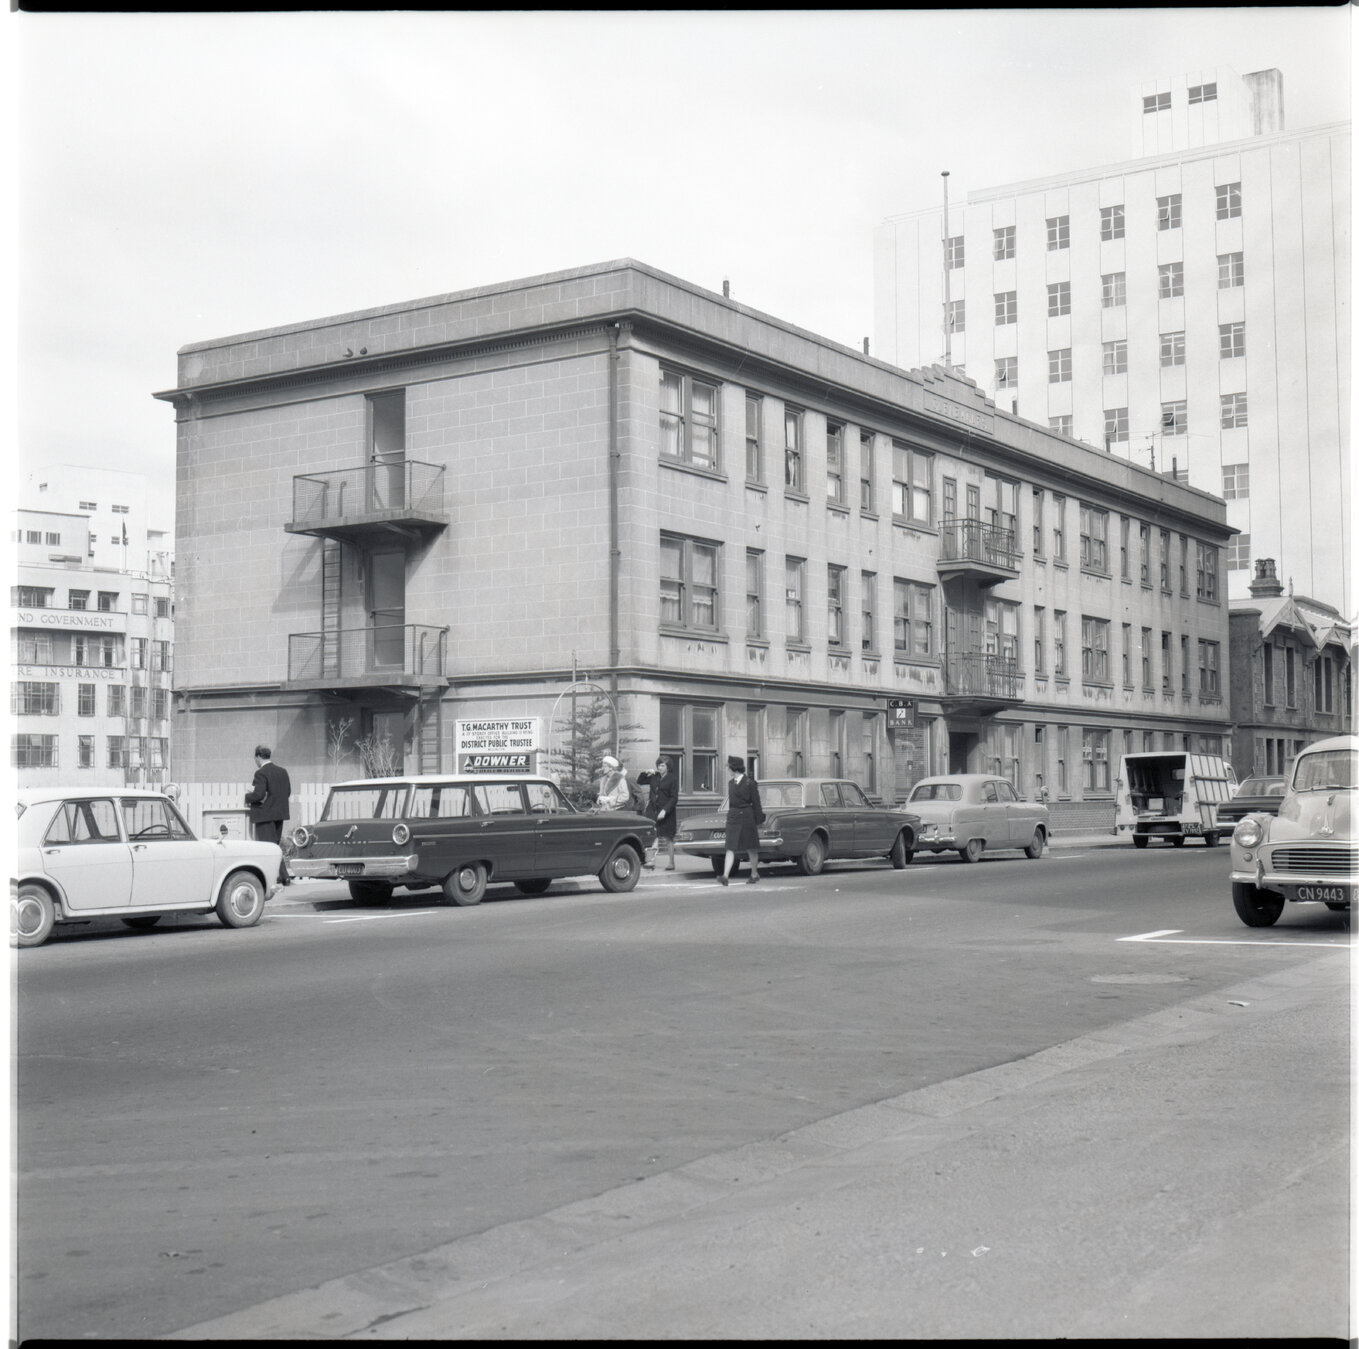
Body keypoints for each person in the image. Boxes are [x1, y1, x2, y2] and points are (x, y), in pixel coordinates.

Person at [245, 745, 292, 886]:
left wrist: (247, 796)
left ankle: (284, 876)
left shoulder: (260, 773)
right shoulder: (283, 771)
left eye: (255, 758)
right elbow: (287, 792)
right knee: (275, 846)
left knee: (269, 848)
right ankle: (280, 876)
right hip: (280, 814)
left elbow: (258, 795)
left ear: (258, 757)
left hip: (265, 815)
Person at [718, 755, 763, 886]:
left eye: (729, 768)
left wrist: (758, 821)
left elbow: (756, 803)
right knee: (730, 847)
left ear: (734, 768)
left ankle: (754, 874)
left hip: (747, 817)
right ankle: (725, 876)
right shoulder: (731, 783)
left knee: (751, 848)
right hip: (733, 817)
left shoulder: (750, 783)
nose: (728, 770)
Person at [636, 756, 678, 870]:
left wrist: (665, 810)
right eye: (659, 765)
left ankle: (671, 863)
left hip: (666, 811)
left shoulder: (672, 779)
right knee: (652, 834)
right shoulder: (654, 777)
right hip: (652, 809)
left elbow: (674, 798)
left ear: (668, 767)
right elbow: (639, 781)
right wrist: (646, 773)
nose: (660, 767)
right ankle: (650, 861)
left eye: (662, 765)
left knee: (668, 837)